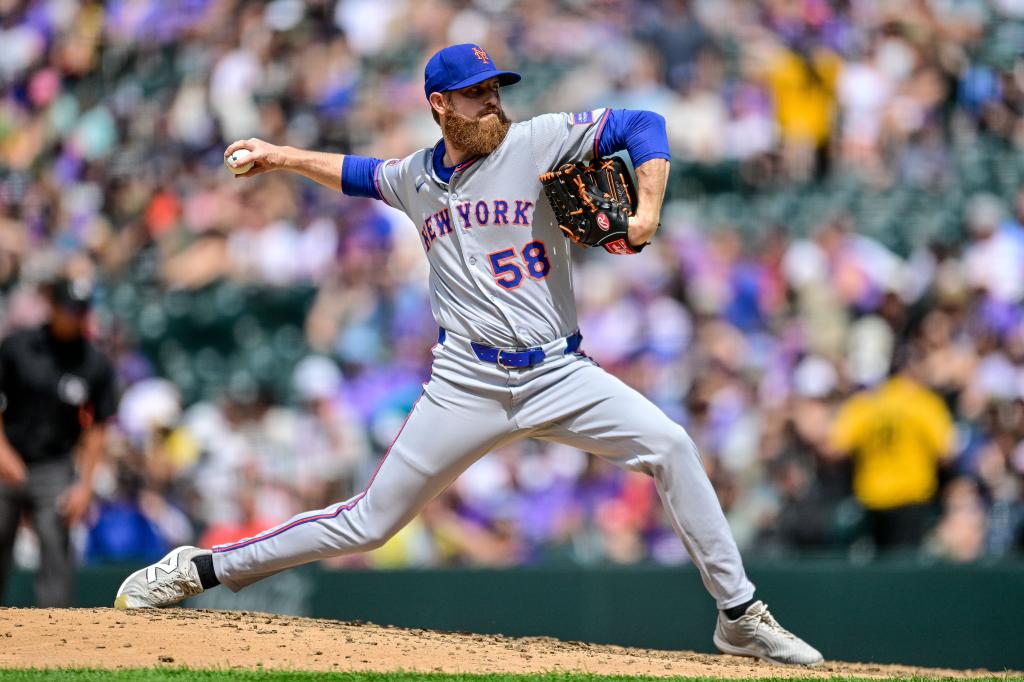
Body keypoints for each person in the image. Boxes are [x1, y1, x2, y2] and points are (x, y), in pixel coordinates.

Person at [115, 44, 822, 665]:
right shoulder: (415, 178)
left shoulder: (538, 140)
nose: (492, 102)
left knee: (670, 444)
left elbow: (643, 125)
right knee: (369, 521)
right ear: (439, 106)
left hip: (558, 372)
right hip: (466, 381)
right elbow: (359, 171)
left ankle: (740, 617)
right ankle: (200, 570)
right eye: (477, 93)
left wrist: (648, 206)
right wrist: (281, 156)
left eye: (495, 89)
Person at [0, 276, 116, 606]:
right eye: (69, 309)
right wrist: (2, 451)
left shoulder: (94, 361)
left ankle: (56, 636)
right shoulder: (18, 347)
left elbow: (99, 426)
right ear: (52, 306)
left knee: (55, 546)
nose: (75, 316)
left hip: (54, 464)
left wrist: (85, 485)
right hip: (7, 455)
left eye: (81, 310)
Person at [830, 348, 955, 552]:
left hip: (873, 496)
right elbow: (947, 452)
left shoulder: (868, 402)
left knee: (879, 571)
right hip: (910, 497)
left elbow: (837, 448)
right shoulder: (924, 403)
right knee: (905, 570)